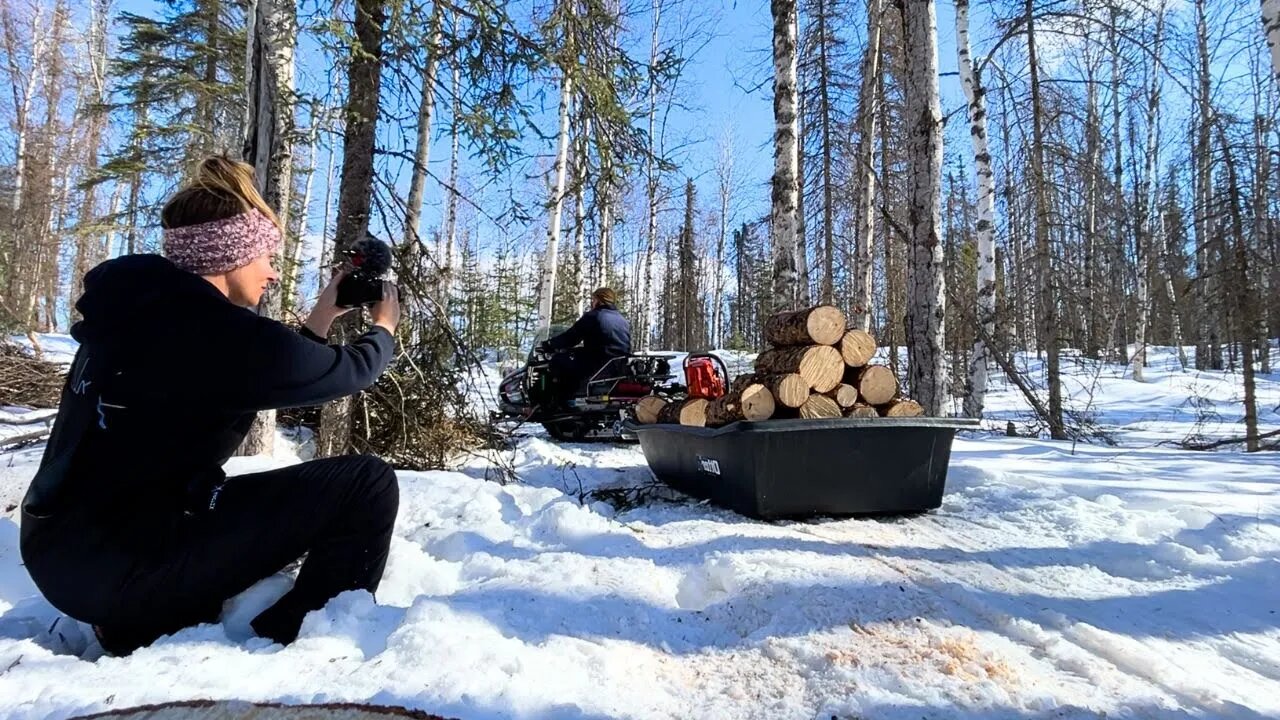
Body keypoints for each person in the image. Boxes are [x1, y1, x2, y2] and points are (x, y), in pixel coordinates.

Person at [19, 156, 401, 656]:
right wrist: (385, 325)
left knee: (200, 502)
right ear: (231, 253)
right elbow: (349, 371)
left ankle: (145, 620)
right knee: (366, 485)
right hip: (122, 568)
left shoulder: (138, 315)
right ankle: (299, 642)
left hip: (65, 553)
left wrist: (322, 316)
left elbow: (263, 372)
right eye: (267, 255)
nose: (273, 273)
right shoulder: (217, 336)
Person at [537, 288, 632, 406]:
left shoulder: (594, 316)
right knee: (575, 356)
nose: (592, 303)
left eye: (593, 299)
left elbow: (571, 337)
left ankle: (561, 402)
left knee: (558, 360)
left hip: (598, 362)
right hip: (617, 365)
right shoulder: (622, 320)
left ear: (599, 300)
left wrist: (549, 345)